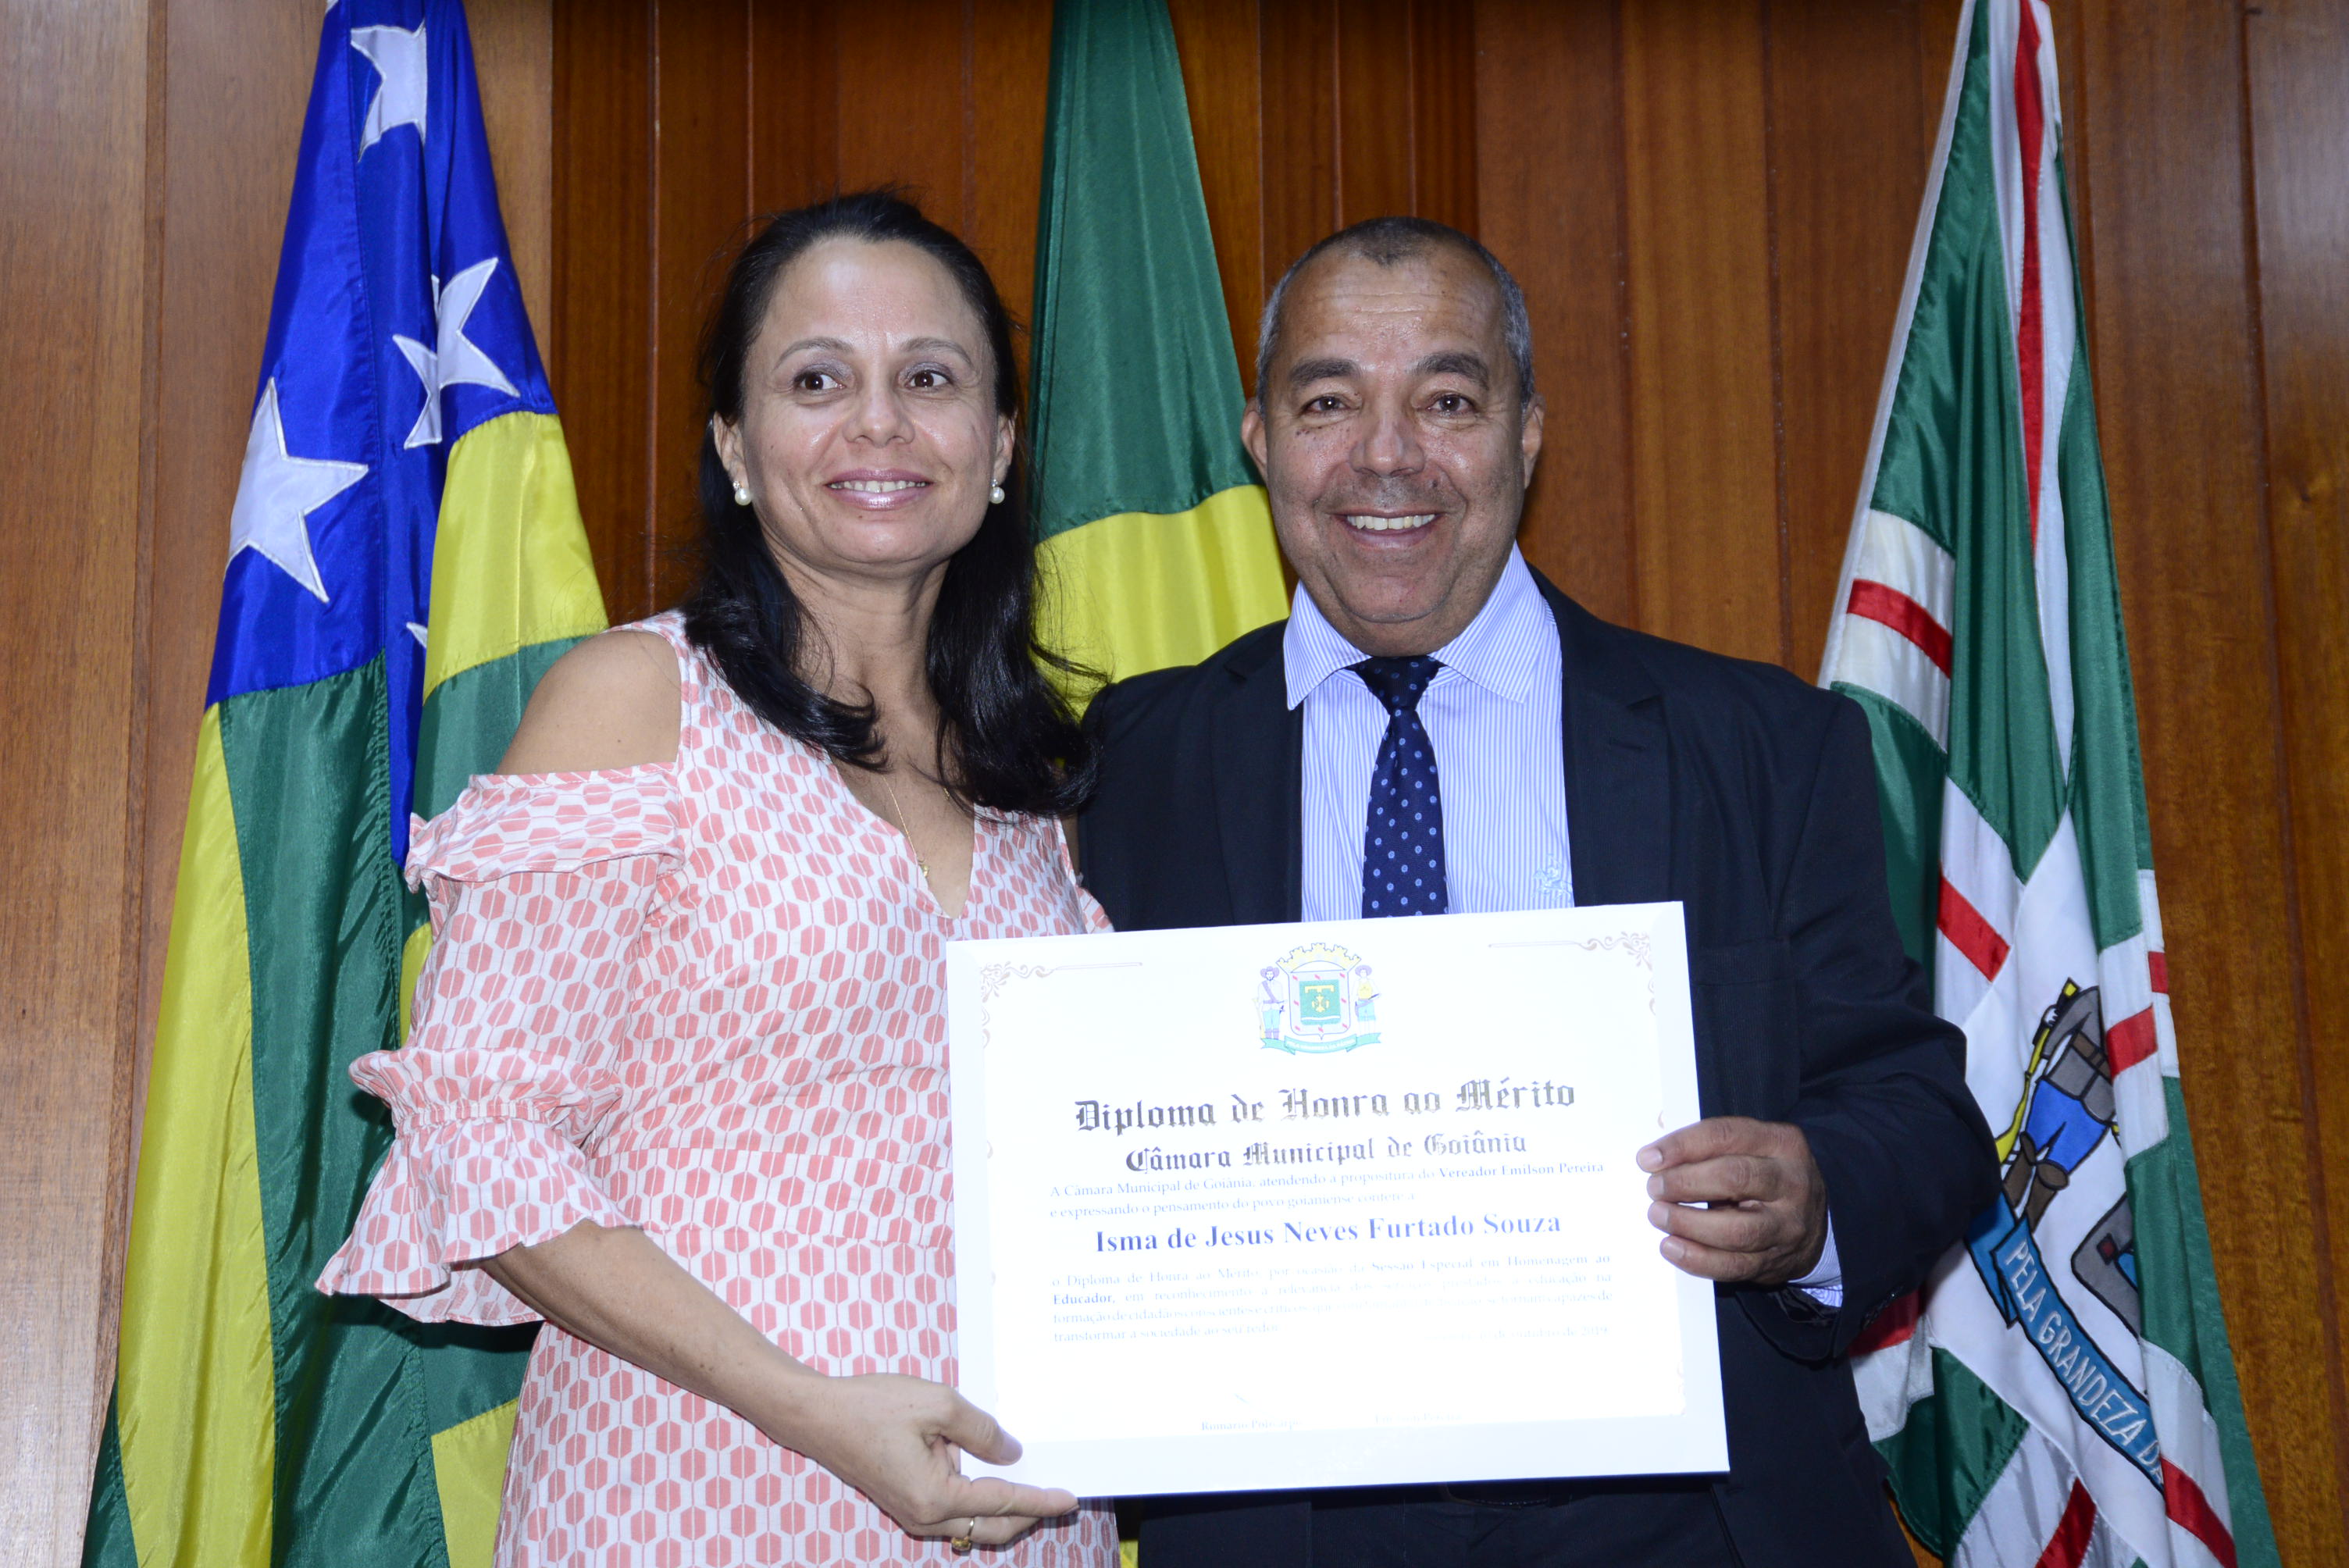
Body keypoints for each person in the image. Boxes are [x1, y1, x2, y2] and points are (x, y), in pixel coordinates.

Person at [1075, 216, 1998, 1568]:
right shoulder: (1124, 766)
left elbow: (1921, 1117)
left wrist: (1812, 1202)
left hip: (1692, 1518)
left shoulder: (1762, 742)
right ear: (1261, 441)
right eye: (1329, 403)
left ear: (1527, 434)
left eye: (1448, 401)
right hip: (1286, 1522)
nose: (1387, 455)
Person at [319, 191, 1117, 1566]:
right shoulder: (639, 700)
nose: (879, 424)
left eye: (931, 379)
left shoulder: (1035, 786)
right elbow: (476, 1135)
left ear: (997, 447)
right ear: (737, 448)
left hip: (1019, 1510)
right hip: (695, 1486)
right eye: (818, 381)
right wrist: (809, 1407)